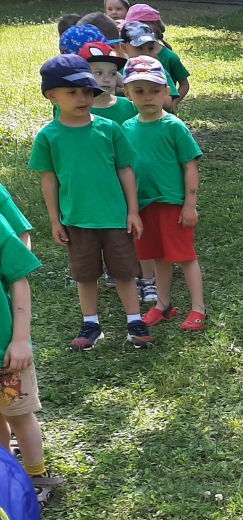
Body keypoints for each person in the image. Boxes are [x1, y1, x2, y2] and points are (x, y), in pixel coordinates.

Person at [29, 55, 154, 350]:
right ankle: (91, 324)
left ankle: (134, 320)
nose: (82, 97)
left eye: (87, 90)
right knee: (85, 275)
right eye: (72, 92)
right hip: (77, 220)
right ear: (52, 96)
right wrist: (55, 219)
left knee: (125, 272)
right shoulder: (49, 136)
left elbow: (126, 169)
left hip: (115, 217)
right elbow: (49, 179)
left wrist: (133, 211)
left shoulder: (109, 129)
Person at [122, 57, 207, 332]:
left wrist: (189, 205)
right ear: (127, 93)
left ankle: (198, 309)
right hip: (144, 205)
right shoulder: (127, 128)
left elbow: (190, 166)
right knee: (158, 256)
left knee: (184, 256)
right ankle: (163, 305)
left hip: (172, 202)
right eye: (140, 91)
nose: (148, 97)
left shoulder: (173, 126)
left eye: (155, 90)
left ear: (167, 92)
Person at [0, 185, 63, 504]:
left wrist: (21, 339)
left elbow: (19, 278)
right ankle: (6, 479)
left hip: (5, 356)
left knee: (18, 414)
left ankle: (37, 477)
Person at [124, 6, 192, 110]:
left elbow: (184, 85)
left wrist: (174, 103)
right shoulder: (126, 65)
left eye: (150, 48)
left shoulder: (169, 58)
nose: (145, 53)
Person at [78, 42, 137, 123]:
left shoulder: (130, 106)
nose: (107, 79)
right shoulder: (72, 108)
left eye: (112, 73)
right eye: (98, 73)